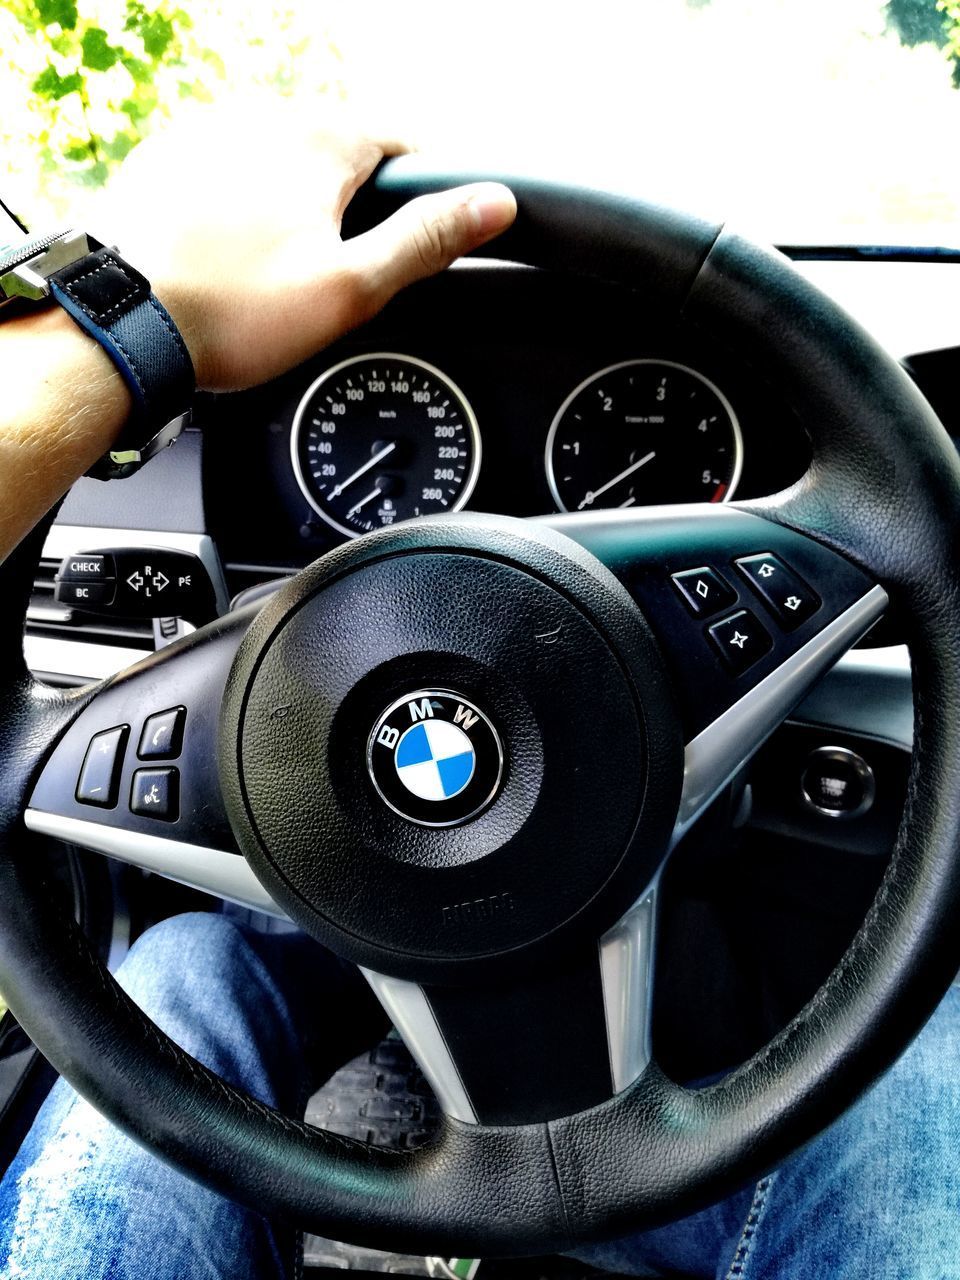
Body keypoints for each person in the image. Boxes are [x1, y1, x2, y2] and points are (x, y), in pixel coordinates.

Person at [2, 104, 960, 1280]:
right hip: (377, 854)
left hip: (349, 826)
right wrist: (122, 313)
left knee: (179, 981)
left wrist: (122, 327)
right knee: (936, 1041)